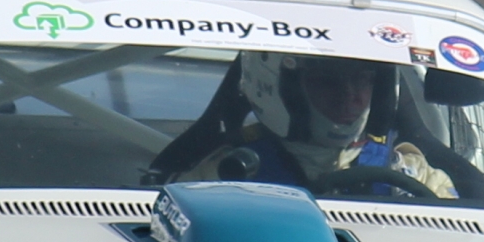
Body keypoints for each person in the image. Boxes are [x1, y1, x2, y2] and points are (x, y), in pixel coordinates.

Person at [165, 51, 456, 198]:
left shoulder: (411, 175)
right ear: (281, 88)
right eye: (327, 82)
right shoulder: (222, 176)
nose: (350, 98)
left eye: (363, 80)